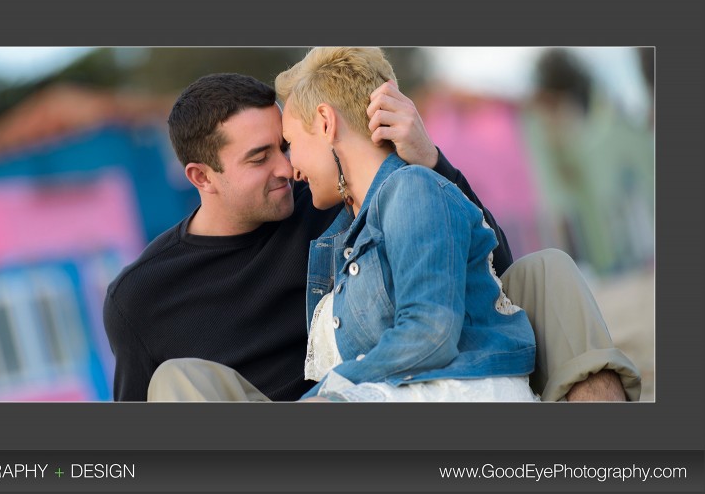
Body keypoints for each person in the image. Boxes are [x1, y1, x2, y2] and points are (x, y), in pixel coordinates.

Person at [104, 70, 640, 402]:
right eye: (258, 158)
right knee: (179, 384)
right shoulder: (142, 298)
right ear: (201, 177)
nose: (288, 168)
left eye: (286, 146)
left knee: (546, 270)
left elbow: (489, 272)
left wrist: (429, 160)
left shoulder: (327, 199)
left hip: (383, 395)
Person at [279, 47, 539, 401]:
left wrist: (324, 393)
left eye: (291, 143)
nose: (290, 169)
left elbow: (430, 333)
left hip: (457, 392)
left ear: (325, 122)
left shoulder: (412, 187)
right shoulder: (355, 225)